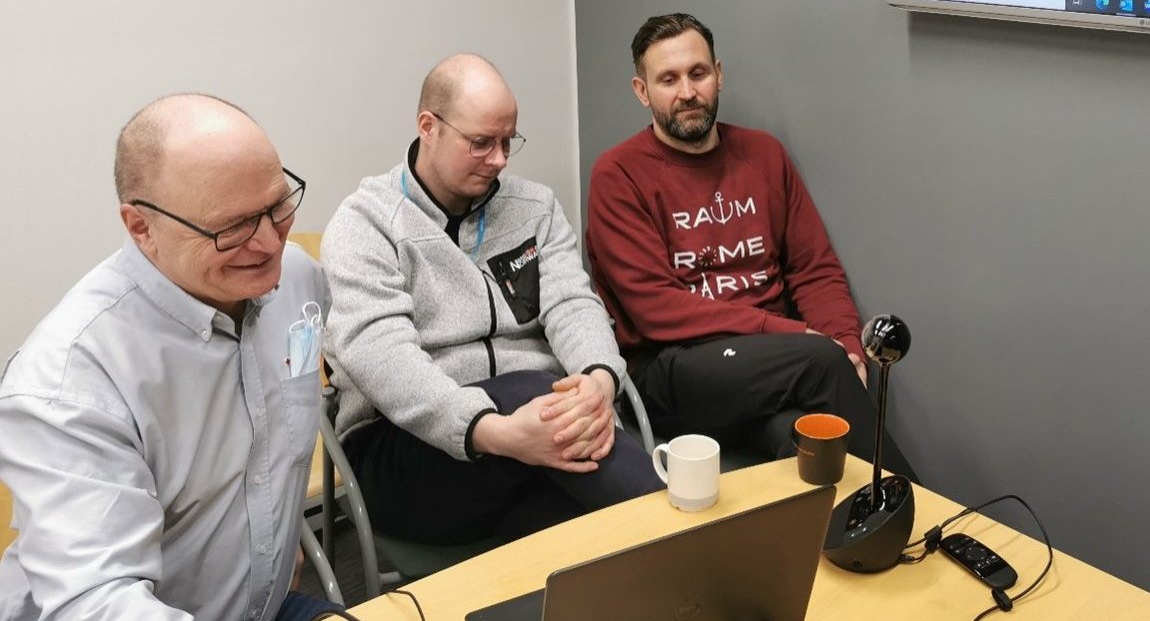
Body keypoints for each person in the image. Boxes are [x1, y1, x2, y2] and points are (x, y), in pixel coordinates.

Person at [0, 94, 338, 620]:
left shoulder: (297, 279)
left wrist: (276, 533)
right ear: (141, 227)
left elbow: (268, 437)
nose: (270, 242)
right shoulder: (70, 382)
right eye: (233, 227)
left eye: (278, 206)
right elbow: (97, 606)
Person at [321, 54, 661, 547]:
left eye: (508, 142)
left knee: (571, 536)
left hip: (531, 443)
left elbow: (572, 302)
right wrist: (495, 432)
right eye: (481, 143)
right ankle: (683, 537)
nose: (500, 159)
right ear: (429, 126)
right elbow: (382, 358)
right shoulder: (366, 224)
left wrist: (598, 379)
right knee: (535, 392)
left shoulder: (535, 206)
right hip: (406, 449)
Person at [585, 14, 917, 480]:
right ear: (642, 91)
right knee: (820, 363)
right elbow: (653, 308)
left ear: (719, 75)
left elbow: (813, 269)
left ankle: (847, 544)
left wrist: (847, 345)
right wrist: (795, 338)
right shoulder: (618, 174)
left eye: (698, 74)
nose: (687, 92)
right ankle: (925, 518)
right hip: (672, 368)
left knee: (806, 438)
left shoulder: (763, 154)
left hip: (768, 367)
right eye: (668, 80)